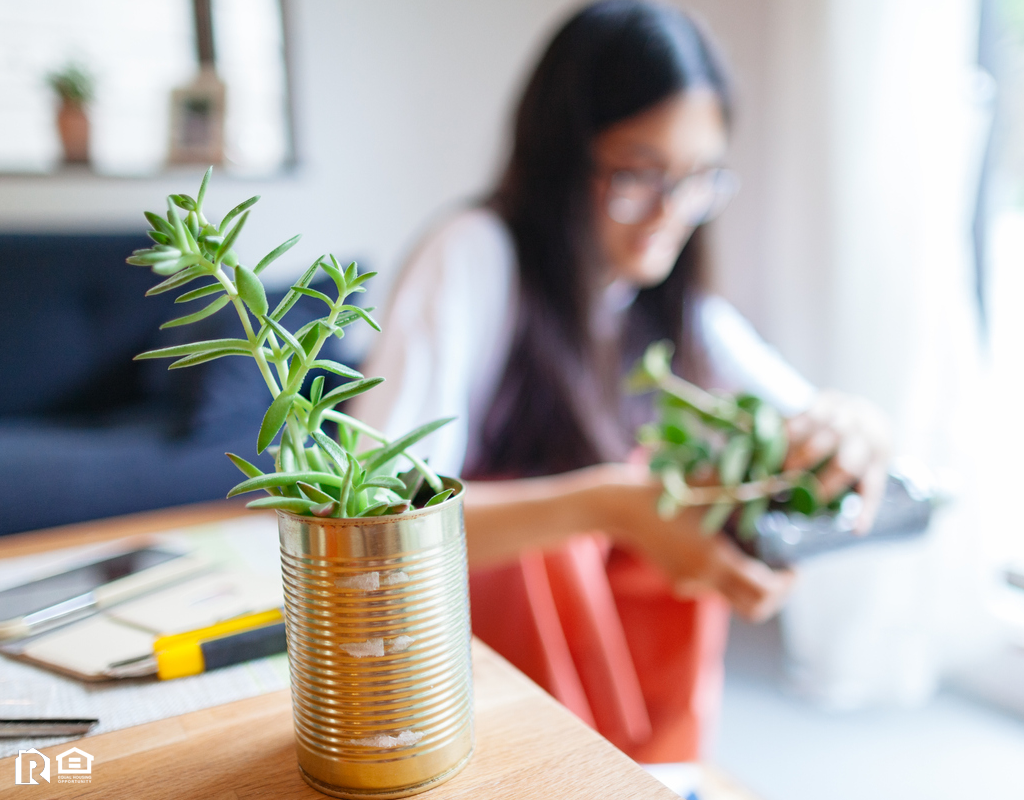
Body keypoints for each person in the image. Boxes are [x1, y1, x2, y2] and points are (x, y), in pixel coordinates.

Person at [351, 0, 889, 764]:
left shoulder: (673, 302)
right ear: (562, 158)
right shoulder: (473, 256)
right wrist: (606, 506)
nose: (672, 213)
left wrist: (855, 425)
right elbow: (377, 524)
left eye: (700, 178)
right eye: (638, 174)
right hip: (451, 680)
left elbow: (804, 411)